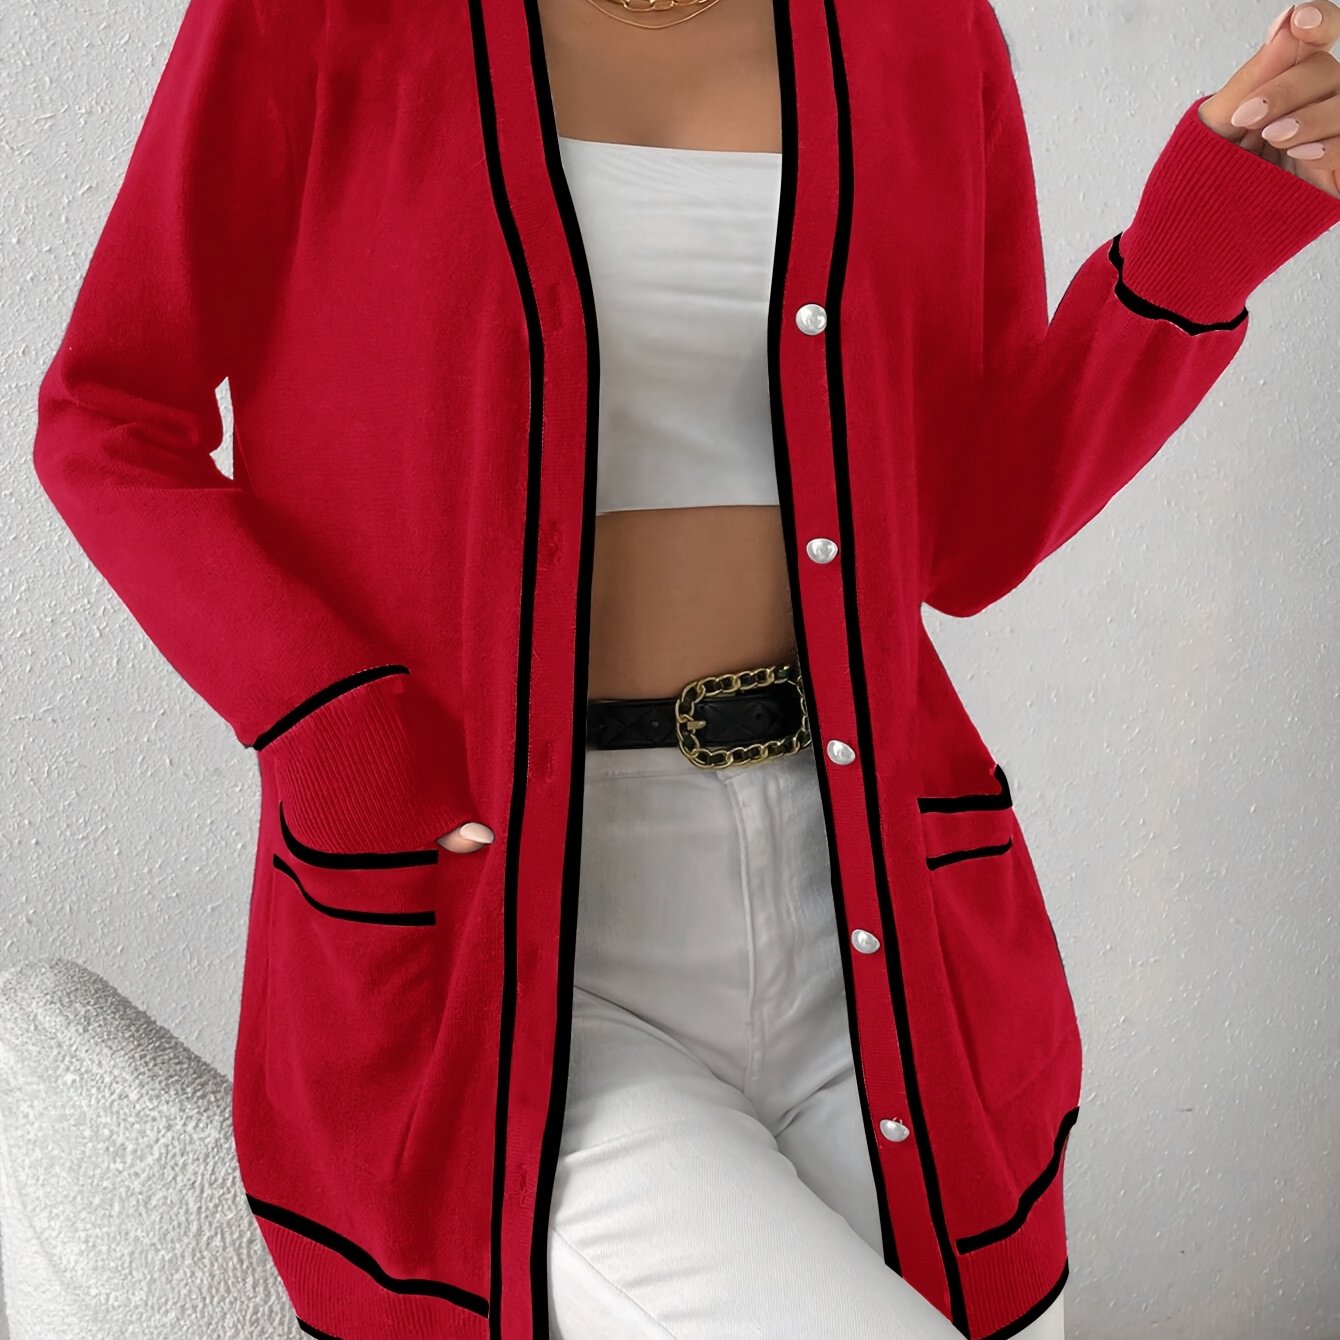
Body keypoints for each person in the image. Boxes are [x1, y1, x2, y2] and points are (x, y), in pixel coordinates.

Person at [31, 0, 1340, 1335]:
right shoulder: (314, 23)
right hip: (512, 940)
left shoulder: (928, 35)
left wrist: (1210, 229)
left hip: (875, 914)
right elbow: (111, 415)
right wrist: (331, 725)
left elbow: (971, 535)